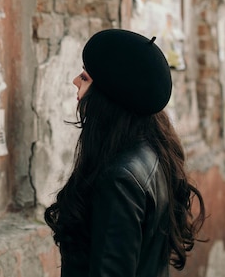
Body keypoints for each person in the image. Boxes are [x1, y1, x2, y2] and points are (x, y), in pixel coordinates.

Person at [44, 28, 206, 277]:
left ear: (108, 98)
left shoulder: (120, 179)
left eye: (85, 78)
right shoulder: (154, 152)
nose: (75, 81)